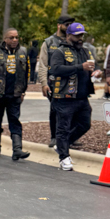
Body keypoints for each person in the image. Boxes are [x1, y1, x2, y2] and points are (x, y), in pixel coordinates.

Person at [48, 22, 100, 172]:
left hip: (82, 96)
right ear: (69, 35)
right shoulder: (60, 51)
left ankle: (61, 145)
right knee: (63, 128)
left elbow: (92, 67)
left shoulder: (85, 51)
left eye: (82, 35)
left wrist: (96, 72)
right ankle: (64, 157)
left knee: (85, 124)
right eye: (77, 35)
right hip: (64, 96)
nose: (80, 38)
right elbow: (56, 69)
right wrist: (80, 67)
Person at [0, 29, 30, 160]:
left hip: (15, 94)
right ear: (5, 39)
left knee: (15, 121)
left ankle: (17, 149)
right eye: (11, 38)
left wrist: (23, 91)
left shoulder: (23, 52)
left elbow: (27, 73)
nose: (14, 40)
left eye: (16, 37)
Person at [36, 14, 71, 147]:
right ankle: (54, 137)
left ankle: (70, 137)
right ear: (59, 25)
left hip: (70, 81)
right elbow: (43, 64)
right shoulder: (49, 42)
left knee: (71, 110)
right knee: (55, 109)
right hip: (53, 81)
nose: (69, 27)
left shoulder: (72, 41)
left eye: (71, 25)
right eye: (66, 25)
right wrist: (44, 83)